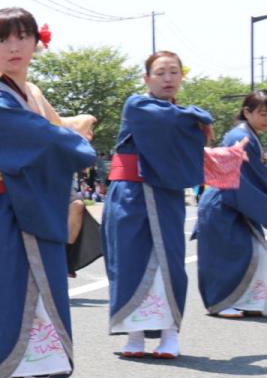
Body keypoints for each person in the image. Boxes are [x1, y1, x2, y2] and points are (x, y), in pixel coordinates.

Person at [0, 8, 97, 378]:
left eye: (22, 37)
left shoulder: (32, 94)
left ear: (37, 43)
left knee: (42, 303)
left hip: (35, 205)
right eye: (3, 39)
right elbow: (46, 138)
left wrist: (70, 133)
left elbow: (48, 133)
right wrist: (76, 139)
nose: (14, 46)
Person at [102, 51, 246, 359]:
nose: (168, 78)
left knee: (169, 262)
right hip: (129, 194)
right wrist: (202, 117)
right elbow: (169, 117)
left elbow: (193, 154)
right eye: (161, 72)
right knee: (128, 261)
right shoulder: (138, 105)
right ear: (147, 79)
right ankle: (135, 334)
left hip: (164, 194)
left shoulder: (183, 117)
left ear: (181, 77)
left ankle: (170, 335)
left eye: (174, 72)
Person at [194, 90, 267, 318]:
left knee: (253, 253)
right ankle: (219, 302)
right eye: (263, 113)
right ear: (247, 111)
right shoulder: (240, 136)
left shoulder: (248, 134)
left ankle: (249, 303)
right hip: (224, 202)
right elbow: (247, 177)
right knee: (225, 256)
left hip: (233, 201)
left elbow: (252, 176)